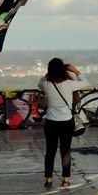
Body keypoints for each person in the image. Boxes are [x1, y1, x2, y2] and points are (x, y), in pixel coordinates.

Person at [37, 58, 88, 188]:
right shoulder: (69, 84)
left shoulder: (46, 85)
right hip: (66, 122)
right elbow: (86, 82)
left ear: (50, 70)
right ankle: (66, 179)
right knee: (65, 151)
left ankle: (48, 179)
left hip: (51, 122)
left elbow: (41, 81)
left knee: (50, 151)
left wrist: (49, 73)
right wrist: (76, 71)